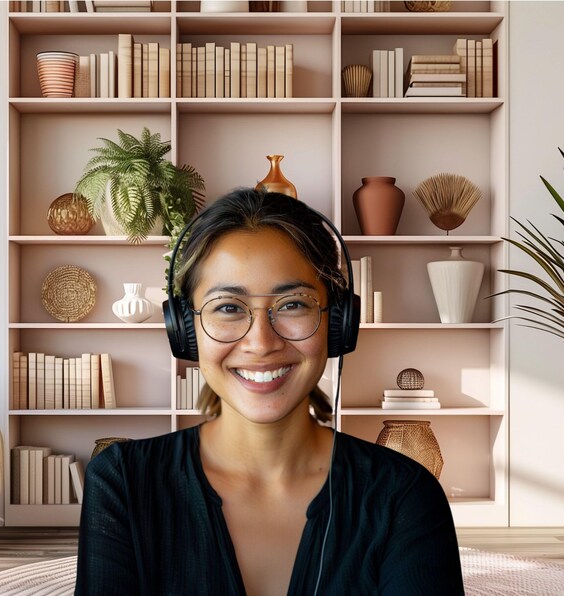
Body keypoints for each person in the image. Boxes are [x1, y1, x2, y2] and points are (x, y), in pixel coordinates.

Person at [75, 188, 464, 595]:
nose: (261, 343)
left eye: (293, 304)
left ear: (337, 324)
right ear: (185, 332)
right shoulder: (123, 482)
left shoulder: (404, 495)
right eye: (228, 307)